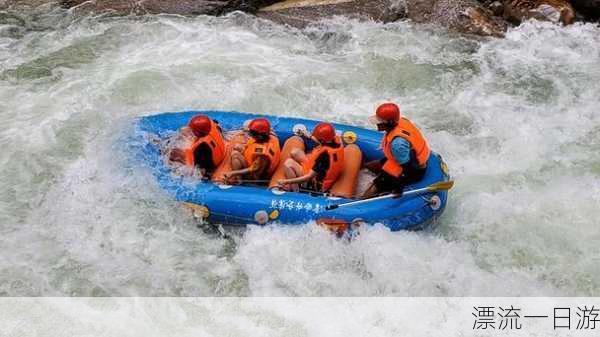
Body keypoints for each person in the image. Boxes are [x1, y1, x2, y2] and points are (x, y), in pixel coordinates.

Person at [362, 102, 430, 199]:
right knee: (371, 165)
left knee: (377, 185)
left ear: (389, 123)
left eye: (379, 121)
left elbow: (406, 169)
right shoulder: (400, 121)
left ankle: (359, 202)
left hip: (412, 170)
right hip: (404, 159)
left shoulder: (398, 144)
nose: (376, 124)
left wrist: (398, 187)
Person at [277, 122, 345, 193]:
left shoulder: (324, 156)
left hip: (316, 183)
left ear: (322, 140)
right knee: (295, 152)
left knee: (288, 163)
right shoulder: (336, 140)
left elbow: (308, 177)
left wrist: (286, 181)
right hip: (320, 169)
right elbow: (323, 142)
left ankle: (296, 191)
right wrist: (309, 136)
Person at [225, 118, 281, 184]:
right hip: (253, 164)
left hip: (256, 176)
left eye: (252, 134)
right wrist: (242, 149)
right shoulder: (264, 139)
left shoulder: (263, 155)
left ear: (260, 136)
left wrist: (233, 173)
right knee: (237, 149)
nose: (250, 135)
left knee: (235, 155)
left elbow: (253, 169)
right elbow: (251, 148)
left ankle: (239, 181)